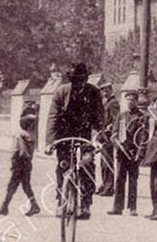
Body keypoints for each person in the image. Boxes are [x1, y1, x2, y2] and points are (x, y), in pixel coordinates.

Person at [43, 62, 104, 220]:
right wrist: (50, 142)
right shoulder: (61, 92)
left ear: (85, 79)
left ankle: (85, 204)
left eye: (81, 80)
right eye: (75, 80)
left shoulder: (94, 93)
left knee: (87, 164)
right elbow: (52, 118)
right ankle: (61, 202)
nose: (78, 84)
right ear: (71, 80)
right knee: (62, 166)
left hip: (85, 134)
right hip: (64, 134)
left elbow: (99, 119)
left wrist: (97, 140)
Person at [107, 92, 149, 216]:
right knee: (119, 179)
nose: (130, 102)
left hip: (134, 153)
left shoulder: (142, 117)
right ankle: (117, 207)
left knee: (133, 180)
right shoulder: (121, 116)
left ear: (137, 101)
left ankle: (132, 208)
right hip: (121, 153)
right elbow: (114, 134)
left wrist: (139, 154)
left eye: (132, 100)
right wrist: (117, 145)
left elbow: (144, 137)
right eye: (128, 100)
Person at [0, 114, 41, 216]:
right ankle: (34, 205)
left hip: (19, 163)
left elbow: (22, 151)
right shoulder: (31, 136)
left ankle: (4, 207)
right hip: (27, 164)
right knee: (26, 186)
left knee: (12, 186)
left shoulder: (20, 135)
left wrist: (16, 161)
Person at [96, 83, 120, 197]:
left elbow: (116, 119)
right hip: (102, 135)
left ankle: (109, 187)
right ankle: (105, 184)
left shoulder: (114, 102)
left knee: (107, 161)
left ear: (111, 90)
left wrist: (111, 126)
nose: (104, 92)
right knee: (103, 162)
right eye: (102, 90)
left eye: (106, 90)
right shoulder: (106, 102)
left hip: (108, 136)